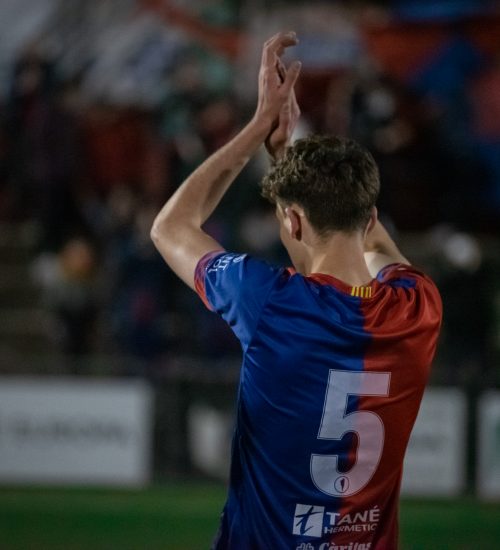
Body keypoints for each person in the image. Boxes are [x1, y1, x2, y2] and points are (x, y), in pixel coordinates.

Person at [151, 31, 442, 550]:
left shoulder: (266, 301)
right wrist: (291, 161)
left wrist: (260, 128)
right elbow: (370, 240)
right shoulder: (418, 308)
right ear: (369, 216)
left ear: (291, 220)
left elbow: (171, 228)